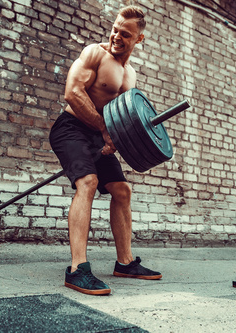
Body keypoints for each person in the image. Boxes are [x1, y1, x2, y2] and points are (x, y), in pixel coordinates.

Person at [49, 5, 162, 296]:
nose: (116, 36)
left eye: (125, 34)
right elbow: (72, 93)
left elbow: (121, 118)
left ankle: (125, 262)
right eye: (115, 29)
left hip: (99, 134)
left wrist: (118, 139)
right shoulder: (94, 54)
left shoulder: (130, 76)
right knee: (88, 182)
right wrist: (103, 129)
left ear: (140, 39)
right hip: (70, 127)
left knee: (122, 190)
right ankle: (77, 269)